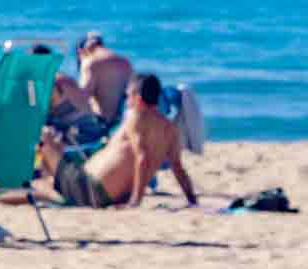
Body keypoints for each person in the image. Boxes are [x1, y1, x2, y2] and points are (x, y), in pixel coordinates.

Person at [38, 73, 198, 209]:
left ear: (138, 98)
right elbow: (178, 168)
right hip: (108, 194)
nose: (126, 99)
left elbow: (142, 158)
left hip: (90, 191)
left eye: (128, 95)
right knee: (50, 179)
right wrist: (192, 200)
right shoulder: (169, 128)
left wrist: (135, 201)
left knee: (44, 139)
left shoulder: (136, 117)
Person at [76, 32, 136, 124]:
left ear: (81, 52)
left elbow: (81, 99)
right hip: (121, 123)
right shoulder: (125, 62)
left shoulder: (90, 62)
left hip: (101, 124)